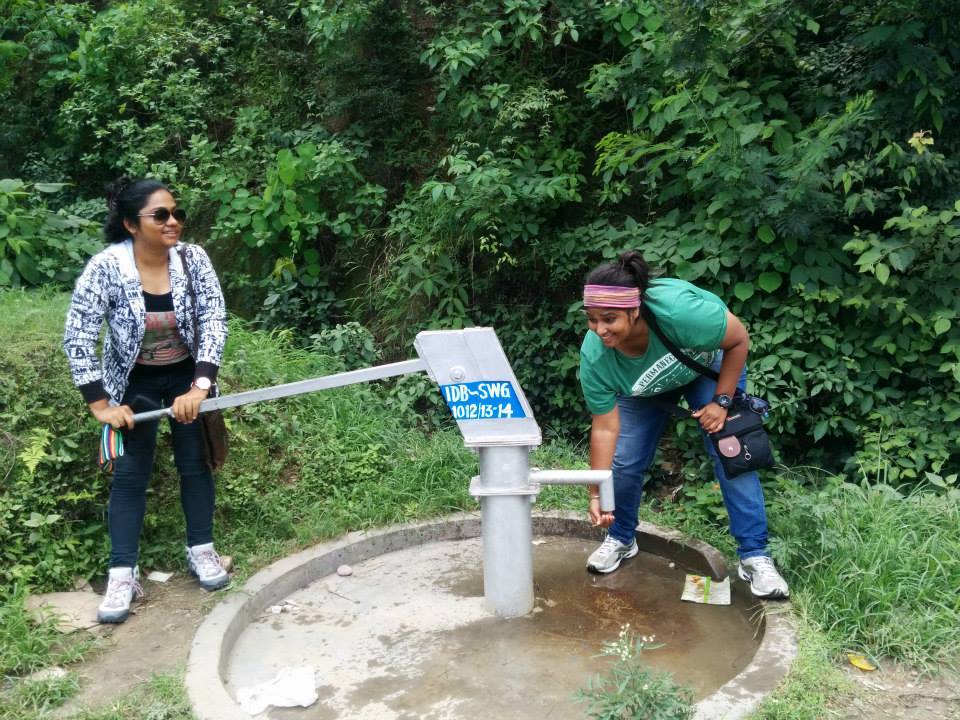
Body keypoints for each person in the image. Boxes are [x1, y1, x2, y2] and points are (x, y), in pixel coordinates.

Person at [63, 177, 230, 623]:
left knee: (194, 463)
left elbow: (214, 319)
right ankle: (122, 571)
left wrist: (200, 385)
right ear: (131, 224)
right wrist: (100, 404)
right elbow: (79, 335)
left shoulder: (193, 260)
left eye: (176, 213)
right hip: (134, 381)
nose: (172, 222)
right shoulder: (106, 269)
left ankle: (203, 549)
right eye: (160, 215)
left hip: (185, 375)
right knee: (131, 475)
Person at [579, 250, 789, 599]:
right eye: (592, 319)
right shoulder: (597, 356)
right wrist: (596, 492)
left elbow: (738, 340)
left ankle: (754, 556)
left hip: (704, 368)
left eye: (610, 318)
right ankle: (620, 538)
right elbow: (604, 428)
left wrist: (722, 401)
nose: (600, 329)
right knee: (625, 460)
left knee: (730, 451)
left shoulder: (682, 314)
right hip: (640, 384)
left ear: (635, 310)